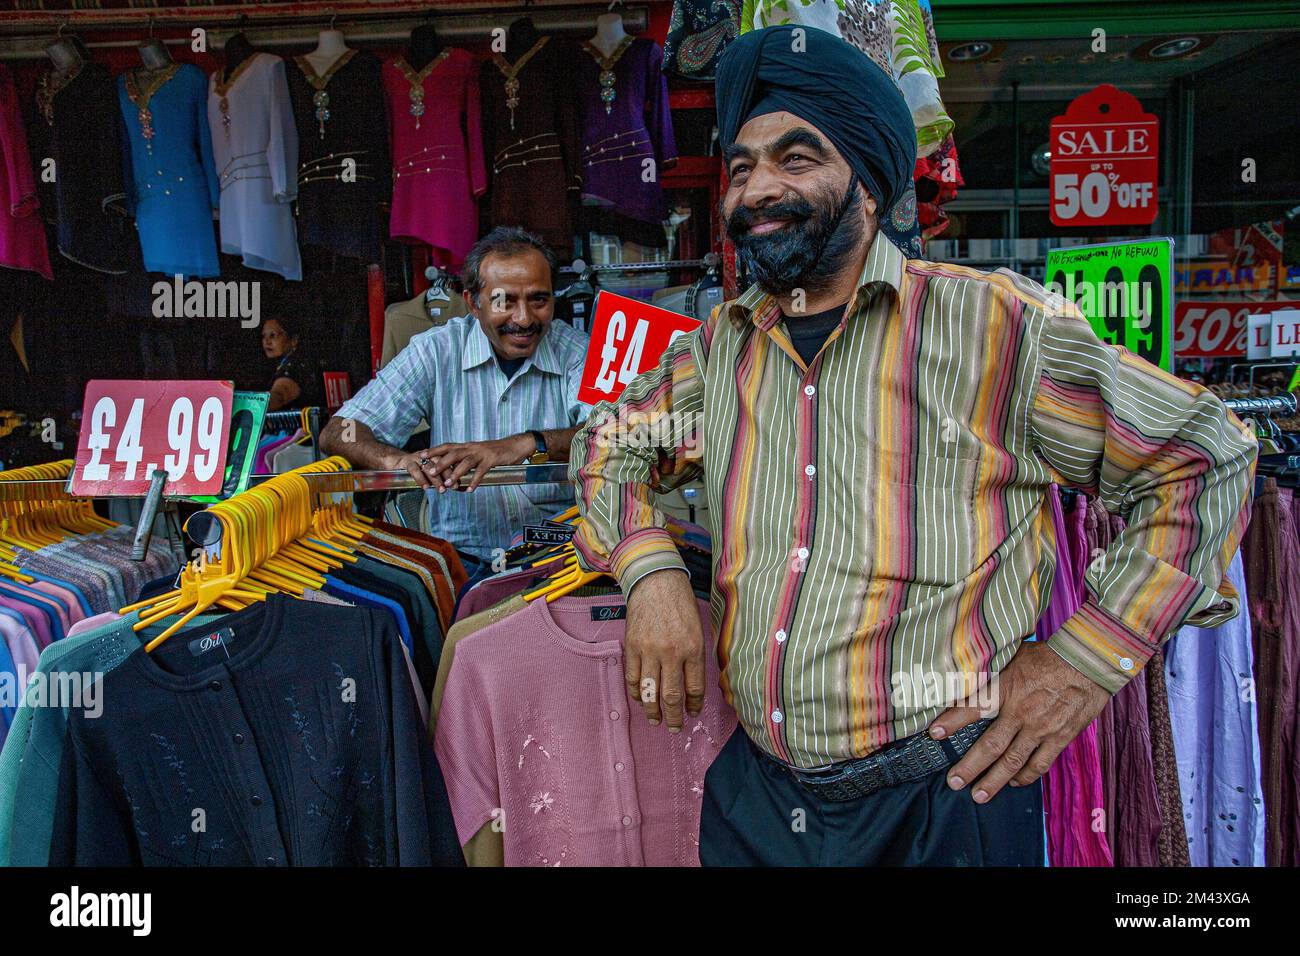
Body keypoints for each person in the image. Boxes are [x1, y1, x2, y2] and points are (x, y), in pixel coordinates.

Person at [568, 26, 1258, 866]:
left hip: (941, 803)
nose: (757, 189)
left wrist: (1082, 663)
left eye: (796, 159)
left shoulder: (996, 327)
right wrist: (652, 573)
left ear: (868, 187)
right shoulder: (722, 348)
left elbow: (1204, 457)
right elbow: (612, 443)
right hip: (759, 797)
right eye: (741, 167)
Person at [320, 226, 590, 562]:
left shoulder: (577, 352)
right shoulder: (436, 351)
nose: (524, 319)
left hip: (563, 561)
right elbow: (339, 430)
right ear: (473, 304)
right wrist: (397, 460)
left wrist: (525, 444)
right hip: (463, 561)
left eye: (539, 300)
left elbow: (615, 433)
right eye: (504, 301)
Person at [261, 315, 321, 411]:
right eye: (264, 336)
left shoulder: (294, 366)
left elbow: (280, 395)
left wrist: (250, 407)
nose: (267, 341)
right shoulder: (284, 364)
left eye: (273, 335)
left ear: (294, 340)